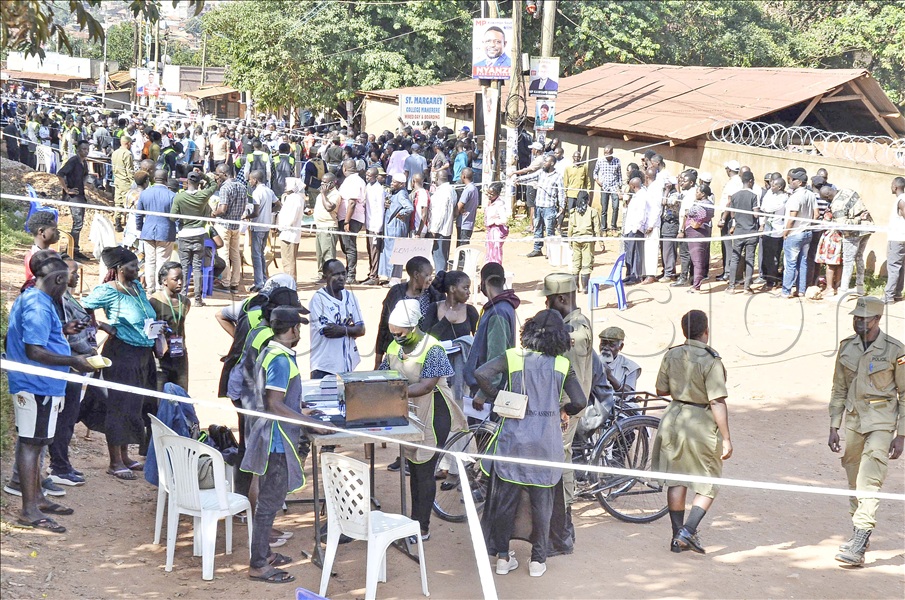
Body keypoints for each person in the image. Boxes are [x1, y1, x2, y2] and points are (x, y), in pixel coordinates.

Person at [474, 310, 587, 578]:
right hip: (546, 443)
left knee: (506, 501)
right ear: (560, 337)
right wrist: (565, 410)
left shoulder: (514, 357)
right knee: (542, 502)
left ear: (529, 331)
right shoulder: (562, 365)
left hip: (512, 441)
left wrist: (500, 396)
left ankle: (503, 558)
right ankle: (537, 560)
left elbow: (481, 374)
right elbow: (580, 401)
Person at [4, 254, 96, 533]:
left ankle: (39, 499)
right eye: (68, 281)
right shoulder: (37, 306)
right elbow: (34, 351)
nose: (69, 286)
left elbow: (41, 337)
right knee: (32, 444)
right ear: (58, 279)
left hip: (43, 386)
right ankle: (29, 510)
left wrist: (63, 330)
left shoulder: (39, 300)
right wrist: (74, 361)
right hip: (35, 386)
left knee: (38, 441)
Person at [242, 306, 328, 585]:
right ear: (292, 330)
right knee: (269, 503)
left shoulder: (271, 351)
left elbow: (280, 397)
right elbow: (274, 404)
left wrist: (301, 408)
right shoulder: (280, 360)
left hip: (273, 436)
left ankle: (264, 554)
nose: (299, 332)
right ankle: (258, 565)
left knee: (270, 499)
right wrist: (307, 421)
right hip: (277, 442)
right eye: (298, 327)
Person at [828, 296, 904, 566]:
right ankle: (859, 531)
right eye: (856, 318)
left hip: (882, 422)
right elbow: (838, 388)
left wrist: (902, 434)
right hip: (854, 420)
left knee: (870, 479)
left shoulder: (896, 350)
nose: (858, 322)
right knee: (852, 478)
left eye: (864, 319)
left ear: (877, 320)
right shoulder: (846, 348)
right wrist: (834, 425)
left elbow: (904, 393)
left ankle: (859, 542)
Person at [381, 297, 467, 526]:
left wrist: (392, 393)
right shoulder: (393, 348)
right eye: (393, 333)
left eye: (401, 333)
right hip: (409, 413)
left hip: (435, 414)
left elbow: (426, 385)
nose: (397, 338)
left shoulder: (433, 348)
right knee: (414, 466)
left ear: (414, 326)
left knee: (425, 469)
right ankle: (415, 521)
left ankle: (422, 525)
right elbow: (383, 375)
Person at [653, 310, 732, 554]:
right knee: (708, 481)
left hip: (674, 418)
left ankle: (677, 537)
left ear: (684, 331)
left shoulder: (672, 354)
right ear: (706, 332)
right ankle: (688, 531)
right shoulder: (712, 361)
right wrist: (726, 438)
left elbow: (661, 389)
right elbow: (717, 401)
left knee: (677, 479)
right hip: (701, 423)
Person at [80, 247, 158, 479]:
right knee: (119, 405)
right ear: (119, 269)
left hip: (144, 355)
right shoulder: (108, 291)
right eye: (133, 266)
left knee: (135, 405)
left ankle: (125, 456)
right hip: (121, 354)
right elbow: (83, 308)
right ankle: (114, 461)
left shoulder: (137, 287)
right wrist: (103, 326)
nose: (137, 269)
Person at [463, 262, 521, 402]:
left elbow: (496, 354)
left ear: (483, 283)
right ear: (504, 281)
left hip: (488, 391)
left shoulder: (498, 312)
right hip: (489, 388)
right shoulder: (503, 306)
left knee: (482, 425)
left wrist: (483, 394)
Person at [374, 256, 440, 371]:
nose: (430, 279)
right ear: (416, 275)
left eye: (431, 275)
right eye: (427, 275)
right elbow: (383, 326)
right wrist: (378, 361)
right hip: (397, 355)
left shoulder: (434, 296)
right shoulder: (396, 292)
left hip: (422, 356)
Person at [308, 259, 366, 379]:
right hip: (324, 367)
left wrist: (342, 329)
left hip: (347, 366)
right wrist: (350, 329)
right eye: (335, 274)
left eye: (343, 273)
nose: (341, 277)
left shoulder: (351, 297)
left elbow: (361, 330)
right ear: (325, 277)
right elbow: (329, 331)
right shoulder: (318, 300)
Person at [171, 170, 219, 307]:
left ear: (187, 182)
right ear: (199, 184)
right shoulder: (203, 195)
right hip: (199, 235)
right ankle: (197, 300)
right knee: (197, 267)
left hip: (184, 235)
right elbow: (214, 184)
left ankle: (183, 296)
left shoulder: (179, 198)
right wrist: (203, 175)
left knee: (185, 267)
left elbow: (172, 216)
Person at [149, 262, 191, 391]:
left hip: (180, 354)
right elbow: (149, 329)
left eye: (181, 278)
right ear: (164, 281)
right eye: (175, 279)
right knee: (160, 398)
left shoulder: (185, 302)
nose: (180, 282)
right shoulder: (154, 302)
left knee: (181, 395)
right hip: (161, 357)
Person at [136, 169, 177, 294]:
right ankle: (160, 288)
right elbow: (175, 216)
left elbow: (139, 215)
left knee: (149, 261)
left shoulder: (144, 194)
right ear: (166, 180)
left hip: (148, 232)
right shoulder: (172, 195)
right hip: (165, 232)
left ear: (154, 179)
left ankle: (150, 288)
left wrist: (140, 228)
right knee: (162, 261)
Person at [779, 170, 818, 299]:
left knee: (790, 263)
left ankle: (786, 291)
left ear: (800, 182)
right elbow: (816, 214)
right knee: (803, 262)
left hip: (795, 234)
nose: (790, 181)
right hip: (807, 233)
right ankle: (801, 290)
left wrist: (786, 233)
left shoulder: (796, 197)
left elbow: (792, 217)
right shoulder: (811, 195)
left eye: (793, 180)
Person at [519, 154, 564, 258]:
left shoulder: (558, 176)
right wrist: (518, 179)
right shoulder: (541, 173)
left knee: (549, 230)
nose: (544, 163)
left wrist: (562, 206)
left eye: (546, 162)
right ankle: (537, 249)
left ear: (552, 163)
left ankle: (550, 252)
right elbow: (529, 177)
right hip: (538, 205)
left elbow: (561, 192)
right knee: (538, 228)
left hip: (549, 207)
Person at [723, 171, 761, 294]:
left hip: (739, 231)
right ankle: (746, 288)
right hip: (751, 232)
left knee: (735, 258)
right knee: (749, 259)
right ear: (750, 181)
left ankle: (731, 287)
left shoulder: (734, 196)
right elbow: (755, 214)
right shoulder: (754, 196)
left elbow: (732, 214)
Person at [420, 270, 479, 343]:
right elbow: (424, 339)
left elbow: (478, 339)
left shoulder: (470, 311)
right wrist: (445, 321)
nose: (469, 292)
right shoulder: (434, 308)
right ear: (452, 289)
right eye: (465, 288)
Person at [56, 139, 91, 261]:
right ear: (78, 150)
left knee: (79, 224)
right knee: (78, 223)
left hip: (81, 196)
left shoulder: (84, 162)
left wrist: (83, 183)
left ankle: (75, 249)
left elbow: (86, 174)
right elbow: (60, 174)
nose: (86, 151)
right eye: (83, 149)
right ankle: (70, 251)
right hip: (73, 197)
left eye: (87, 149)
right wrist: (67, 189)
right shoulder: (73, 161)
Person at [378, 173, 414, 284]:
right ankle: (390, 277)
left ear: (402, 184)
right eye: (392, 181)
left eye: (395, 182)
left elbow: (409, 208)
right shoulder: (395, 193)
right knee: (389, 253)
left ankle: (395, 279)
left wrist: (400, 214)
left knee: (395, 253)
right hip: (390, 228)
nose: (392, 183)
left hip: (396, 228)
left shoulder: (402, 194)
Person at [246, 169, 278, 292]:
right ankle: (263, 279)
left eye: (250, 179)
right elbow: (278, 204)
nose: (249, 181)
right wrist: (269, 212)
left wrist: (246, 216)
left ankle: (259, 283)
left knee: (256, 255)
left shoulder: (256, 193)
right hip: (266, 226)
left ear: (255, 180)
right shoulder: (269, 191)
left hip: (258, 226)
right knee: (261, 254)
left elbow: (255, 212)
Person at [337, 159, 366, 283]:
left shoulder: (353, 181)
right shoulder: (352, 180)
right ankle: (349, 270)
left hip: (351, 219)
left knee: (350, 247)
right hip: (347, 218)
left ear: (344, 169)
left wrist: (347, 221)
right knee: (346, 246)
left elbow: (352, 202)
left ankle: (351, 275)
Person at [759, 176, 788, 292]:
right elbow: (763, 206)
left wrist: (766, 208)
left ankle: (773, 282)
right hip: (767, 230)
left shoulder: (784, 198)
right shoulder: (770, 193)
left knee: (774, 258)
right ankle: (768, 280)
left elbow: (770, 208)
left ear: (780, 187)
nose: (772, 186)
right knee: (767, 257)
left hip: (777, 232)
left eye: (774, 185)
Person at [567, 192, 601, 293]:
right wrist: (600, 241)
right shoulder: (592, 212)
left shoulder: (573, 212)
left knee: (576, 263)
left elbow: (570, 228)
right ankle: (585, 287)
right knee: (587, 262)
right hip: (588, 240)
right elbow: (597, 228)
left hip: (575, 240)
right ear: (588, 200)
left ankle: (575, 287)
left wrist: (570, 240)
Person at [276, 178, 305, 279]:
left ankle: (290, 281)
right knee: (288, 259)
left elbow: (291, 218)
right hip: (289, 233)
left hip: (289, 234)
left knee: (288, 260)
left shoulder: (294, 199)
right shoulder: (294, 198)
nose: (285, 186)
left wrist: (281, 227)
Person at [428, 169, 457, 271]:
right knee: (443, 255)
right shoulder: (451, 189)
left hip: (440, 230)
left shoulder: (442, 193)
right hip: (447, 228)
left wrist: (434, 230)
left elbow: (439, 214)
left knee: (439, 256)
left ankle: (440, 279)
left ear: (438, 179)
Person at [362, 166, 386, 285]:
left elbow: (380, 209)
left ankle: (374, 276)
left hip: (375, 226)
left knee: (374, 251)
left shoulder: (379, 190)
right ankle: (371, 272)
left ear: (376, 177)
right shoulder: (368, 187)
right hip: (368, 224)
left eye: (369, 175)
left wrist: (378, 227)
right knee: (369, 250)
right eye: (366, 174)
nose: (367, 177)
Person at [883, 176, 905, 304]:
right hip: (901, 238)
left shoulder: (901, 200)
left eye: (892, 185)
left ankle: (889, 296)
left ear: (895, 186)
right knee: (900, 268)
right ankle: (897, 294)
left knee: (894, 267)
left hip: (897, 239)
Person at [23, 211, 60, 282]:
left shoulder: (52, 252)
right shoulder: (33, 258)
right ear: (41, 231)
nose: (58, 232)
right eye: (54, 229)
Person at [111, 135, 135, 232]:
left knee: (118, 202)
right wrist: (133, 181)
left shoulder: (115, 153)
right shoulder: (127, 154)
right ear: (128, 143)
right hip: (125, 181)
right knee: (128, 202)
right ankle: (128, 224)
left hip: (117, 180)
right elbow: (129, 170)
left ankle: (117, 221)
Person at [484, 182, 509, 265]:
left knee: (496, 252)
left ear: (497, 194)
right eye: (488, 193)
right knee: (489, 251)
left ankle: (496, 268)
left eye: (492, 194)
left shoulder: (499, 204)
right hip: (490, 231)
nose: (489, 195)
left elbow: (504, 220)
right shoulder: (490, 202)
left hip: (496, 231)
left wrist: (494, 222)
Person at [455, 168, 479, 251]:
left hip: (464, 223)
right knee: (464, 246)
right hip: (469, 222)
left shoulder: (468, 190)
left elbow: (460, 205)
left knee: (462, 248)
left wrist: (454, 215)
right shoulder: (474, 188)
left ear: (463, 176)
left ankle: (462, 263)